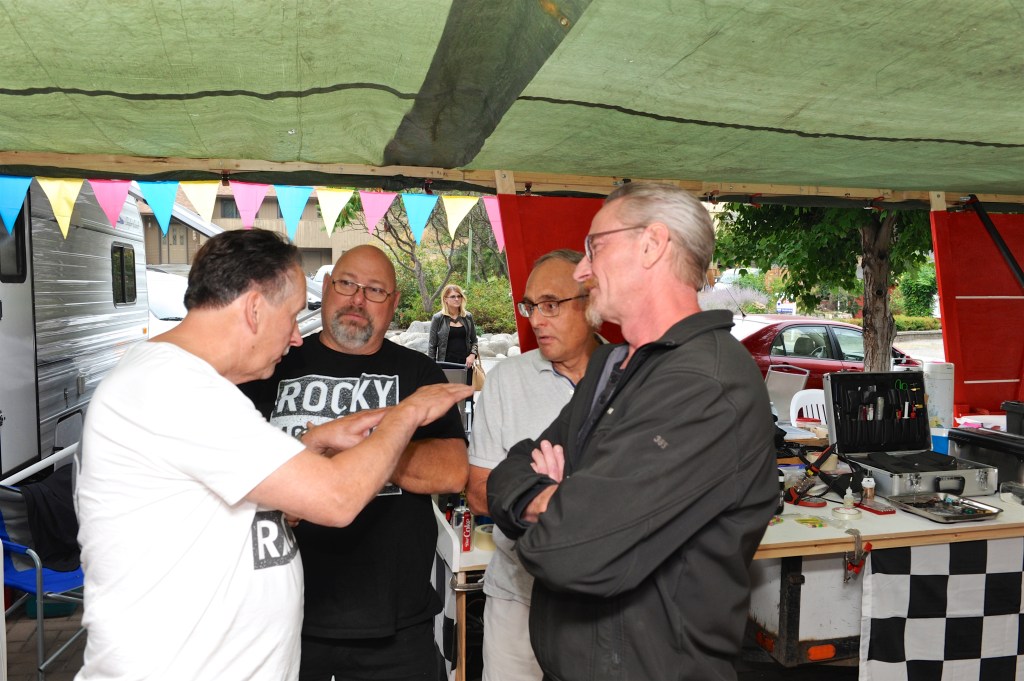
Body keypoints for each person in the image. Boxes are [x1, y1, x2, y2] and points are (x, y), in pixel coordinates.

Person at [74, 229, 471, 681]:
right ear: (254, 309)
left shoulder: (184, 382)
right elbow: (338, 498)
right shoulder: (173, 388)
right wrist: (407, 414)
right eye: (294, 315)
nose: (298, 337)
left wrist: (311, 445)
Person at [487, 183, 777, 681]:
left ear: (652, 244)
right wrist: (558, 501)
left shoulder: (704, 384)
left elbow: (569, 551)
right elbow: (505, 476)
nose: (582, 270)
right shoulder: (612, 367)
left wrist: (554, 501)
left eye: (594, 248)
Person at [241, 244, 468, 681]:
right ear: (327, 288)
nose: (358, 300)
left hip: (395, 628)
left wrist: (361, 451)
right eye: (347, 284)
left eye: (375, 290)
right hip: (281, 618)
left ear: (394, 303)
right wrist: (386, 439)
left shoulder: (418, 373)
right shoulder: (275, 362)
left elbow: (452, 470)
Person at [466, 249, 600, 681]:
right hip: (518, 597)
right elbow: (478, 493)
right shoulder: (507, 380)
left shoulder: (633, 377)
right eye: (530, 306)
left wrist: (541, 494)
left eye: (551, 305)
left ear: (592, 303)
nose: (536, 320)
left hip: (608, 601)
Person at [427, 284, 478, 370]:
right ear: (445, 299)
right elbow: (432, 345)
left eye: (459, 296)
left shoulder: (467, 317)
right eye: (453, 296)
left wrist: (472, 355)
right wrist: (431, 367)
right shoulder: (438, 318)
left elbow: (474, 341)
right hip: (445, 364)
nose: (457, 299)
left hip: (466, 365)